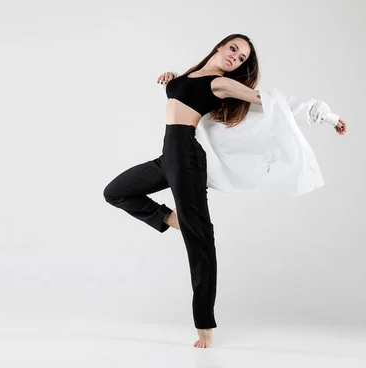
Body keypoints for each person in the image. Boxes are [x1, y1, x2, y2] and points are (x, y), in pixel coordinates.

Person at [102, 33, 347, 349]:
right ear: (219, 46)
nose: (236, 57)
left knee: (200, 242)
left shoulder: (221, 84)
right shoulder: (189, 75)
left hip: (187, 158)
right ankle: (173, 219)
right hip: (169, 156)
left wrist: (326, 115)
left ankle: (204, 325)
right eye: (234, 49)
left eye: (242, 58)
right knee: (116, 191)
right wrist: (170, 77)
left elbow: (274, 102)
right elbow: (183, 89)